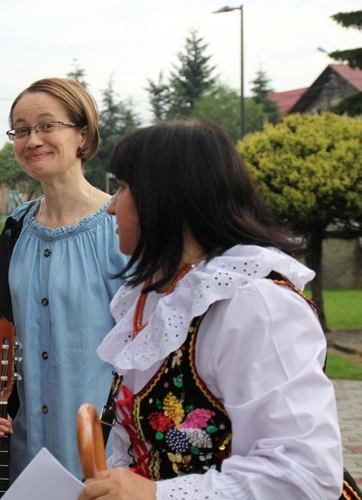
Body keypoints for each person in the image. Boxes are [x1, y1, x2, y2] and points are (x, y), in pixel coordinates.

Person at [80, 119, 342, 499]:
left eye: (122, 188)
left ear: (165, 197)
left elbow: (305, 475)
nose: (111, 207)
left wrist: (157, 496)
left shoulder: (254, 306)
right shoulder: (157, 296)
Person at [0, 77, 128, 484]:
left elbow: (145, 347)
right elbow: (2, 341)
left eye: (46, 125)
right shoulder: (15, 230)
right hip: (24, 455)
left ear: (83, 135)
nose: (32, 139)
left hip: (103, 456)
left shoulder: (120, 227)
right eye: (21, 130)